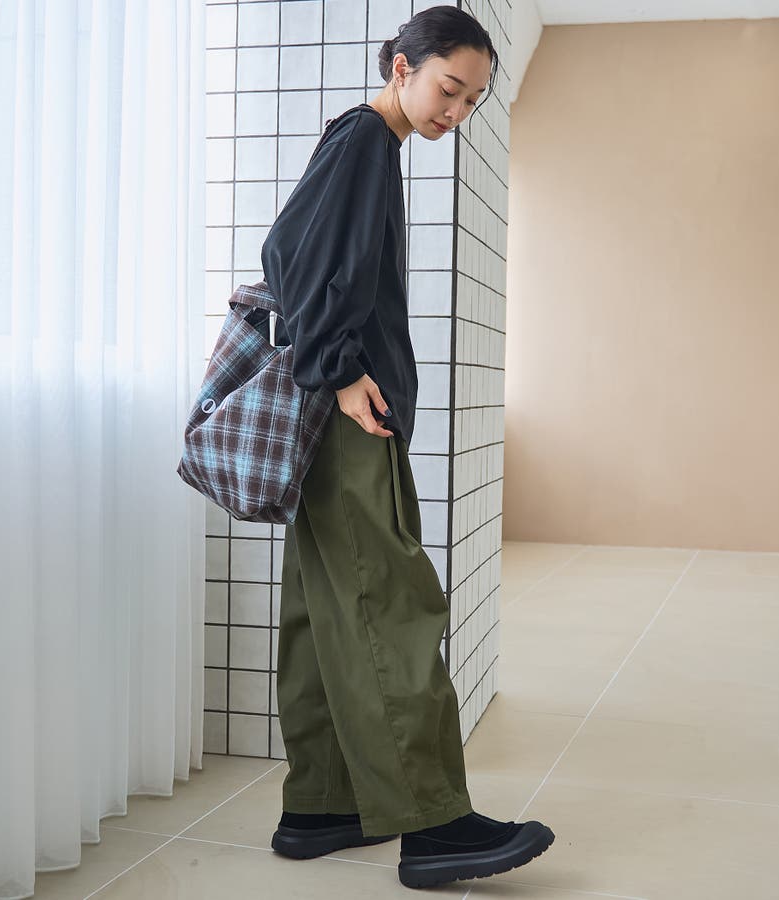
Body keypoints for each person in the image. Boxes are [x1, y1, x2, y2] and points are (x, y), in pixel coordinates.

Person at [259, 6, 555, 890]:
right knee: (389, 606)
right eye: (447, 89)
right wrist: (341, 370)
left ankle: (323, 805)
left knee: (324, 612)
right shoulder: (363, 139)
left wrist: (334, 369)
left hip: (331, 419)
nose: (454, 112)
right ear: (402, 68)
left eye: (470, 102)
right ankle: (435, 827)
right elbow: (288, 257)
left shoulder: (368, 146)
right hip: (348, 420)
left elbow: (289, 253)